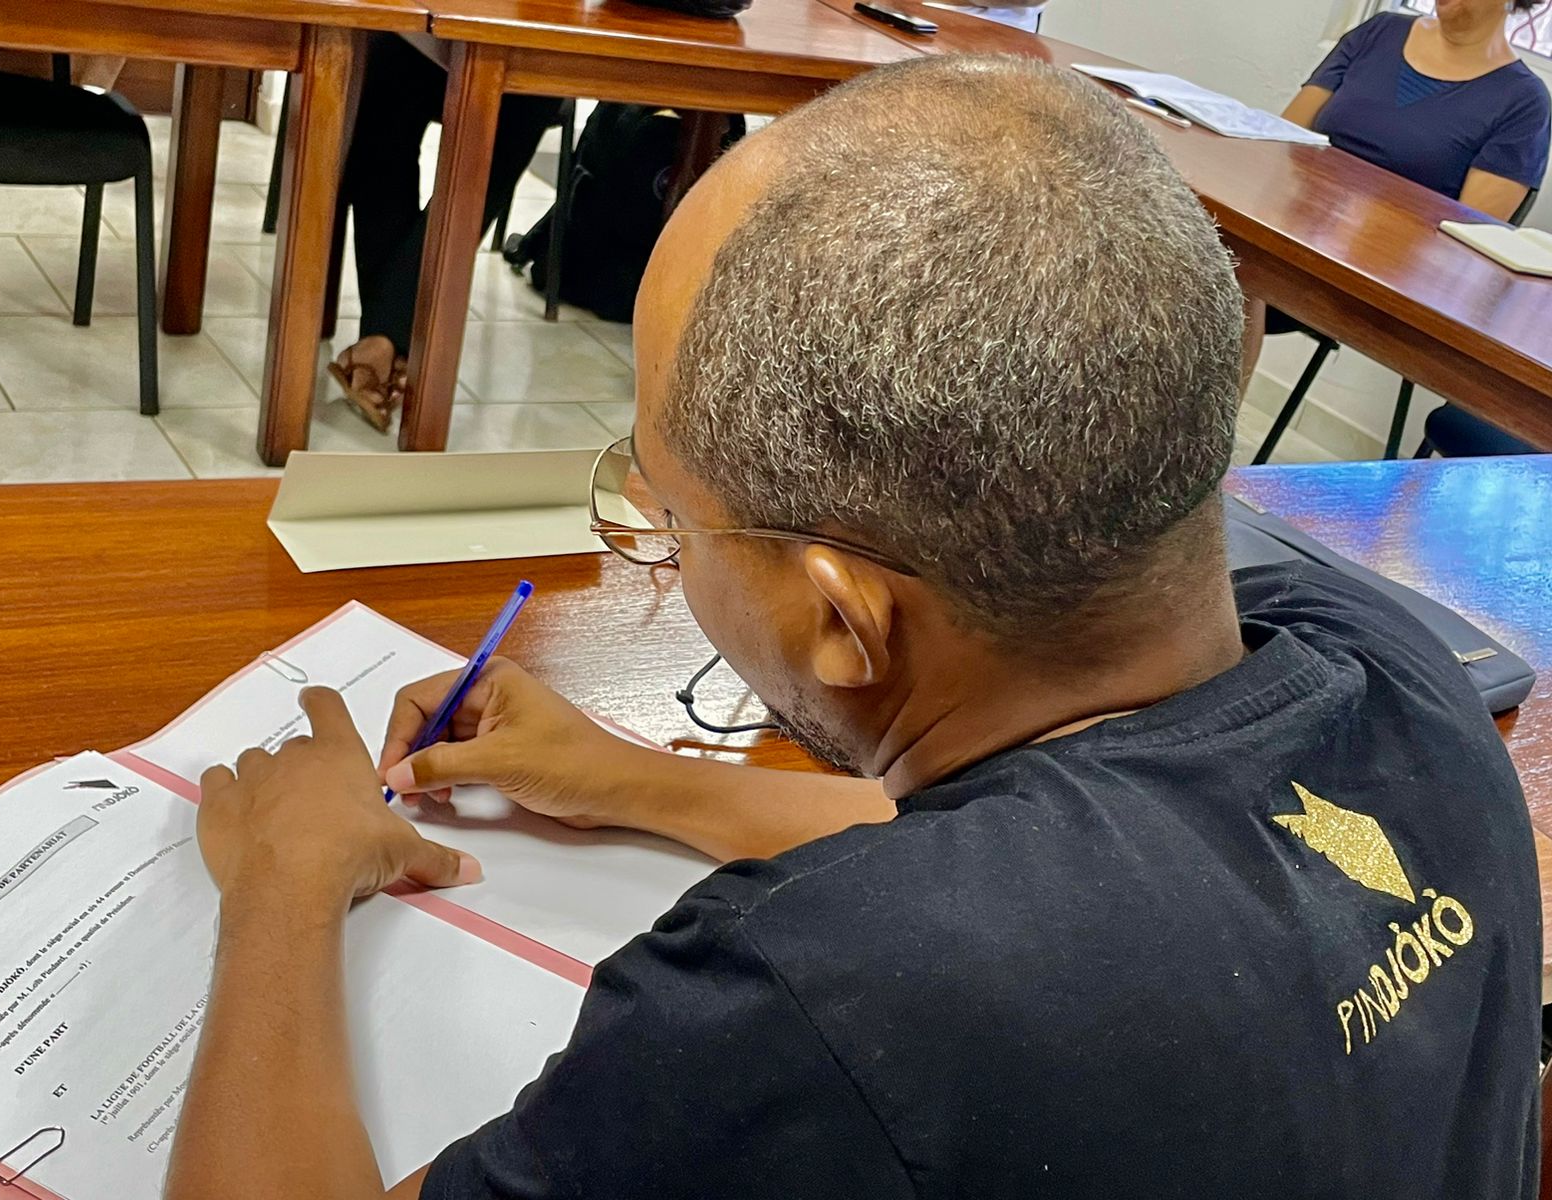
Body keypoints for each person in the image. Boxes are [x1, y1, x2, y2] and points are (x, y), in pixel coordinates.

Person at [167, 56, 1541, 1199]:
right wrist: (635, 783)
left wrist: (288, 884)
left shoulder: (826, 1002)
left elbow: (972, 920)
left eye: (674, 518)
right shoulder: (1387, 662)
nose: (664, 543)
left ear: (840, 621)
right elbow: (1084, 855)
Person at [1242, 0, 1551, 378]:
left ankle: (1198, 434)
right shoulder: (1379, 32)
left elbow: (1467, 244)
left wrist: (1356, 223)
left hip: (1373, 280)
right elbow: (1279, 142)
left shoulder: (1523, 103)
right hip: (1292, 231)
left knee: (1235, 268)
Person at [327, 35, 562, 431]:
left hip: (531, 38)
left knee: (515, 117)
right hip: (415, 27)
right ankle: (390, 338)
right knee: (383, 109)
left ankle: (382, 341)